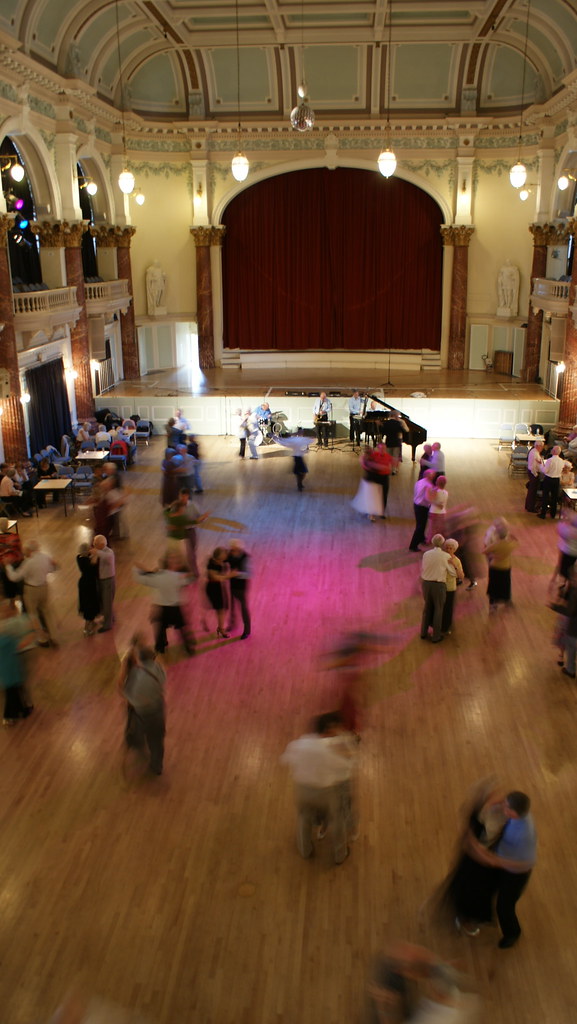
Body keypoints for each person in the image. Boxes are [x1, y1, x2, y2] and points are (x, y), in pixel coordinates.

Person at [280, 711, 354, 865]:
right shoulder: (328, 752)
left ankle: (304, 850)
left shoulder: (299, 743)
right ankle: (340, 854)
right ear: (328, 730)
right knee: (338, 818)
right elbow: (346, 769)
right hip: (324, 793)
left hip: (302, 791)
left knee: (303, 818)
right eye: (336, 729)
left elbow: (285, 759)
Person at [466, 790, 536, 948]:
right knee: (486, 888)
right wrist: (492, 803)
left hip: (515, 874)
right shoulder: (520, 812)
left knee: (504, 906)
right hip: (503, 858)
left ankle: (512, 933)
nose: (502, 807)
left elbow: (526, 864)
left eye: (506, 807)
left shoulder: (525, 834)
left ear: (514, 813)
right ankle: (481, 917)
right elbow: (505, 799)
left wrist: (496, 861)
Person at [118, 639, 167, 775]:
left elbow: (124, 691)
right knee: (157, 739)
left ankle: (137, 744)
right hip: (157, 710)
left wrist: (124, 667)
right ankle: (156, 766)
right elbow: (163, 675)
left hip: (140, 712)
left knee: (137, 730)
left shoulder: (134, 674)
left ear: (140, 659)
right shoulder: (158, 670)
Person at [133, 554, 195, 656]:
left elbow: (140, 578)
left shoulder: (157, 577)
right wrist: (189, 576)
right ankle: (188, 649)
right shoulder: (176, 577)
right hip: (175, 608)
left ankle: (160, 648)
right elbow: (189, 580)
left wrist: (139, 569)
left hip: (161, 608)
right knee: (181, 629)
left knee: (161, 628)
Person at [6, 540, 59, 646]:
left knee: (33, 614)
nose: (24, 552)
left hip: (31, 590)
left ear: (30, 550)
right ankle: (53, 636)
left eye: (25, 550)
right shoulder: (45, 557)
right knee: (47, 612)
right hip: (44, 587)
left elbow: (15, 577)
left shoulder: (28, 562)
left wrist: (8, 566)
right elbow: (53, 568)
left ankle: (42, 638)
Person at [0, 599, 36, 726]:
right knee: (16, 690)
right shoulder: (9, 635)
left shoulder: (6, 631)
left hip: (8, 671)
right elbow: (25, 642)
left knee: (14, 692)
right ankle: (20, 710)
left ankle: (18, 711)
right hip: (12, 670)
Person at [164, 487, 209, 576]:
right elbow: (170, 517)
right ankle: (184, 573)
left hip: (190, 531)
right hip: (180, 534)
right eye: (181, 496)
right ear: (179, 496)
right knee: (180, 554)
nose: (183, 499)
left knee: (192, 553)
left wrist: (202, 518)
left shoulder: (193, 506)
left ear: (188, 496)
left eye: (185, 496)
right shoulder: (176, 506)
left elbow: (198, 519)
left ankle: (193, 572)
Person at [420, 534, 456, 643]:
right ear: (443, 544)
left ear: (432, 542)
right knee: (438, 610)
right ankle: (436, 636)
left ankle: (423, 633)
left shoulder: (426, 554)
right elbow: (452, 572)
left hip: (426, 584)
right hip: (438, 585)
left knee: (427, 608)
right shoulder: (446, 556)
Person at [483, 518, 517, 610]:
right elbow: (486, 547)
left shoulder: (504, 533)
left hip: (501, 564)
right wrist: (494, 556)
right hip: (497, 563)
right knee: (496, 582)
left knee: (503, 582)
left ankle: (505, 599)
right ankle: (493, 602)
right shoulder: (491, 533)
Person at [351, 447, 385, 522]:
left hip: (372, 480)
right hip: (369, 481)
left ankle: (370, 513)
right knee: (371, 498)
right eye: (370, 452)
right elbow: (373, 466)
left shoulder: (369, 458)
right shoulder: (365, 460)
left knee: (371, 498)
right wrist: (383, 467)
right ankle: (371, 515)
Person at [90, 535, 115, 632]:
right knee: (104, 601)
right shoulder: (99, 552)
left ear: (102, 544)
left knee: (107, 602)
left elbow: (106, 556)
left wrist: (96, 552)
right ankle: (110, 618)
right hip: (101, 580)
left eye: (95, 543)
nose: (93, 545)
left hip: (108, 580)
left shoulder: (109, 552)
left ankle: (107, 625)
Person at [227, 540, 251, 639]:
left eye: (234, 550)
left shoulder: (245, 558)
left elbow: (249, 574)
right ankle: (232, 624)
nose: (232, 552)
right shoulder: (230, 555)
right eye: (232, 550)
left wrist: (237, 574)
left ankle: (247, 630)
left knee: (243, 608)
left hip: (241, 587)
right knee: (232, 605)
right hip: (232, 584)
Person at [205, 547, 231, 638]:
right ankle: (220, 628)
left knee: (221, 609)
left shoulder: (222, 560)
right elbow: (215, 577)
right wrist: (229, 575)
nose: (226, 555)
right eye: (224, 554)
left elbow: (230, 555)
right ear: (219, 556)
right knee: (220, 609)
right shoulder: (211, 565)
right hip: (213, 588)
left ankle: (220, 627)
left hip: (220, 587)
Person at [441, 538, 464, 634]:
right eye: (447, 548)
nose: (448, 550)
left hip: (450, 587)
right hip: (440, 586)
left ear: (454, 550)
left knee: (447, 608)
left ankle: (446, 627)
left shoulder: (457, 561)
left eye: (451, 548)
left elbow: (461, 576)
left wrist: (454, 564)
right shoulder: (441, 558)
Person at [77, 542, 100, 637]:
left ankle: (92, 622)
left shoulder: (79, 558)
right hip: (89, 585)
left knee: (87, 603)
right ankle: (87, 628)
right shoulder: (87, 562)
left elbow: (89, 559)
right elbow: (94, 565)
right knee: (89, 605)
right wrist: (96, 554)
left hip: (83, 583)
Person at [409, 469, 434, 551]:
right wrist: (435, 500)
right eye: (432, 474)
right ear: (428, 476)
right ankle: (413, 546)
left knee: (421, 524)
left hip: (416, 504)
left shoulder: (419, 482)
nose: (433, 476)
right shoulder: (428, 485)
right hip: (423, 507)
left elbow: (416, 492)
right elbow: (428, 498)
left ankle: (421, 538)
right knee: (420, 526)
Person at [0, 517, 24, 605]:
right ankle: (21, 595)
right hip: (16, 563)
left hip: (3, 565)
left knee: (6, 581)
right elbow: (20, 550)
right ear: (7, 525)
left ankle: (11, 600)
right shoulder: (14, 537)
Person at [539, 444, 564, 519]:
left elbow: (545, 471)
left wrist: (541, 465)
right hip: (556, 480)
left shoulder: (550, 460)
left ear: (553, 451)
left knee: (545, 496)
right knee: (554, 497)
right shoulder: (561, 461)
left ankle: (543, 514)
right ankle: (553, 514)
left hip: (549, 479)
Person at [426, 475, 448, 540]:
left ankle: (429, 541)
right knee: (439, 528)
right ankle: (439, 541)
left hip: (434, 512)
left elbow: (430, 500)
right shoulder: (446, 492)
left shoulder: (435, 491)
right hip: (442, 513)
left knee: (431, 528)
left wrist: (428, 490)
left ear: (437, 482)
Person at [525, 439, 545, 512]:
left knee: (531, 491)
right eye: (541, 447)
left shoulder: (534, 451)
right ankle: (531, 508)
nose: (542, 448)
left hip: (532, 473)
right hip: (534, 473)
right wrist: (536, 474)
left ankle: (528, 506)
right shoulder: (535, 453)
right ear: (537, 446)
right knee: (532, 492)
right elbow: (534, 466)